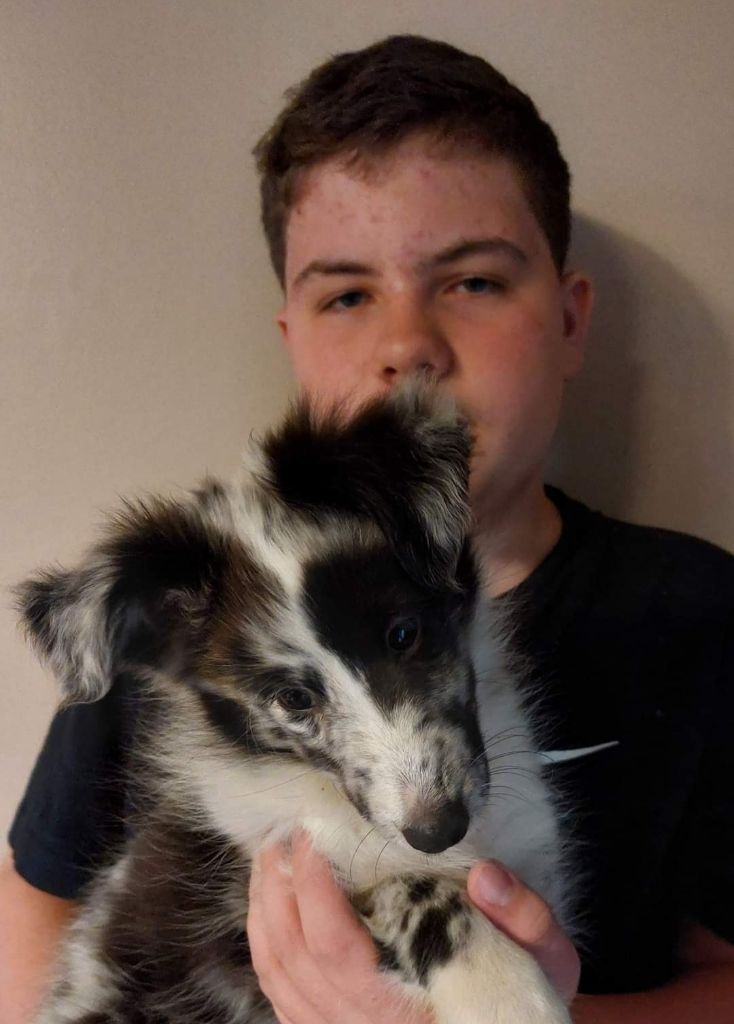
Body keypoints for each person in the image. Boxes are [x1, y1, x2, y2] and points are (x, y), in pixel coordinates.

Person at [2, 33, 734, 1024]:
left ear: (569, 320)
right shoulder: (185, 632)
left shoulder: (700, 617)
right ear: (290, 337)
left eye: (473, 281)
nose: (408, 349)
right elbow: (36, 924)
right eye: (347, 294)